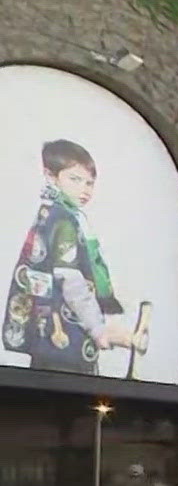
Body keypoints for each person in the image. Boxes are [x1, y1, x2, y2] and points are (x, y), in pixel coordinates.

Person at [5, 140, 147, 375]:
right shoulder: (64, 221)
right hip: (64, 342)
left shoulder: (50, 212)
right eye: (75, 179)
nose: (85, 189)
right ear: (51, 176)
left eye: (90, 182)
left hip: (48, 339)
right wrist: (98, 330)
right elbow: (71, 282)